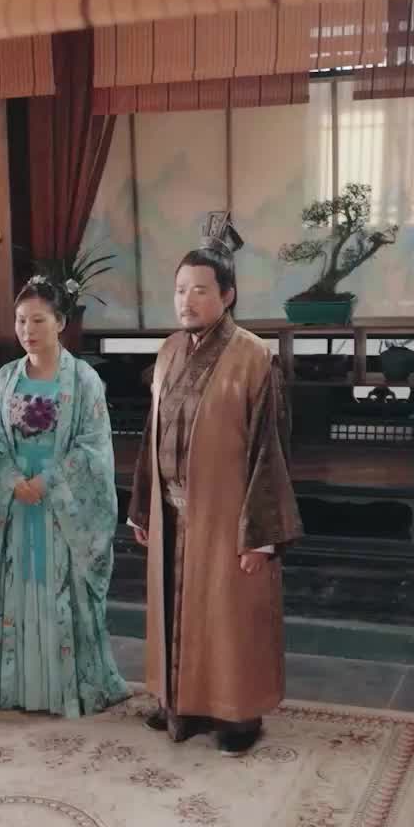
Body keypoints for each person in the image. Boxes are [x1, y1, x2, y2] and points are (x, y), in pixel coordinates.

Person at [128, 245, 302, 754]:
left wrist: (261, 535)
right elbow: (152, 434)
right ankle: (179, 703)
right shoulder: (169, 351)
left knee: (228, 616)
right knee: (176, 611)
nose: (187, 300)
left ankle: (237, 714)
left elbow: (271, 449)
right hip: (171, 510)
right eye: (180, 290)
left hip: (228, 513)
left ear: (227, 296)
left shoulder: (254, 357)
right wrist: (142, 505)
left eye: (200, 290)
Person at [0, 276, 128, 717]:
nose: (28, 330)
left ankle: (71, 690)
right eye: (21, 320)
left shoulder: (83, 380)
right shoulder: (6, 378)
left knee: (62, 588)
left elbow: (93, 447)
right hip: (17, 502)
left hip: (62, 505)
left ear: (60, 322)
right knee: (22, 587)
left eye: (38, 320)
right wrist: (12, 480)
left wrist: (48, 481)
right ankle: (21, 688)